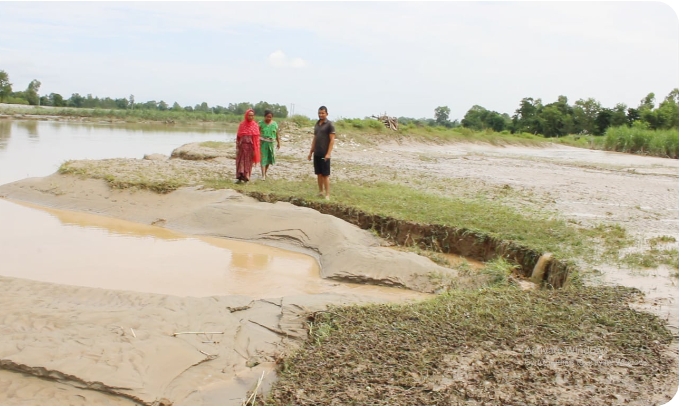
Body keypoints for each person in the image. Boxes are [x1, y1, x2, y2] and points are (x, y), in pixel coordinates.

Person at [307, 105, 335, 200]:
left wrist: (328, 153)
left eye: (323, 113)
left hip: (325, 153)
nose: (321, 115)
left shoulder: (330, 125)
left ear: (327, 114)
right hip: (317, 153)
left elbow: (332, 140)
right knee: (318, 173)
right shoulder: (317, 124)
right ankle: (321, 191)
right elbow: (315, 138)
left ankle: (327, 194)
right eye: (319, 113)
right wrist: (311, 152)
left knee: (325, 175)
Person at [235, 109, 261, 183]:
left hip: (250, 148)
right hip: (242, 147)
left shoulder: (255, 126)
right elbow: (238, 137)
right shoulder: (242, 125)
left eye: (252, 115)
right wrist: (237, 146)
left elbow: (256, 139)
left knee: (248, 163)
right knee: (240, 162)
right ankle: (239, 177)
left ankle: (246, 178)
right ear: (246, 115)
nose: (251, 117)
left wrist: (255, 150)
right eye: (249, 115)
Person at [258, 109, 280, 180]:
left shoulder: (274, 124)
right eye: (267, 117)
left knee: (269, 159)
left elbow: (276, 134)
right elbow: (257, 134)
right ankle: (263, 175)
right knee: (263, 158)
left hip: (271, 144)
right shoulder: (261, 123)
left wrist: (278, 143)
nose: (268, 118)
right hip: (263, 143)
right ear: (264, 116)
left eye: (270, 117)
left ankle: (265, 172)